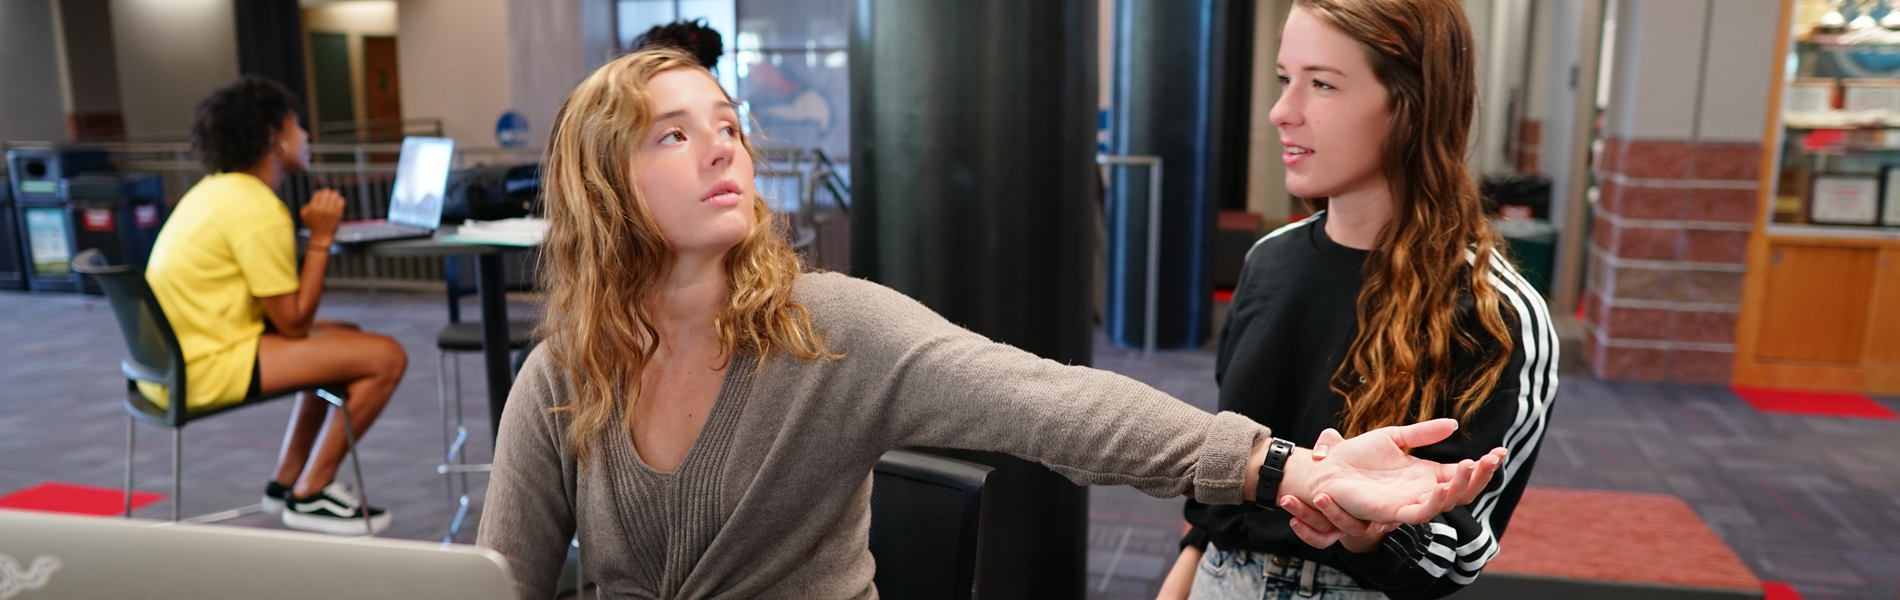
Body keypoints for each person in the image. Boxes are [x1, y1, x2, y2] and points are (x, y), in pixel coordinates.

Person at [475, 46, 1506, 599]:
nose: (722, 151)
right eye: (673, 134)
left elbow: (1055, 403)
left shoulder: (828, 328)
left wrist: (1294, 470)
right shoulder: (567, 373)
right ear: (605, 188)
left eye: (730, 127)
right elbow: (504, 584)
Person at [1156, 0, 1558, 598]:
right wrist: (1184, 575)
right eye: (1284, 80)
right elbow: (1230, 460)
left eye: (1321, 84)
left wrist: (1366, 531)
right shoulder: (1268, 261)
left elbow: (1459, 551)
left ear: (1411, 106)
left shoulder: (1496, 311)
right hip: (1220, 577)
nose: (1281, 112)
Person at [142, 77, 408, 534]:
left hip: (169, 363)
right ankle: (312, 491)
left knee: (347, 332)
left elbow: (287, 322)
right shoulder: (256, 208)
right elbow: (293, 324)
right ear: (274, 136)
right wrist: (322, 237)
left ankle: (286, 481)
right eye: (298, 126)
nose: (306, 137)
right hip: (205, 366)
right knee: (387, 357)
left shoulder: (214, 191)